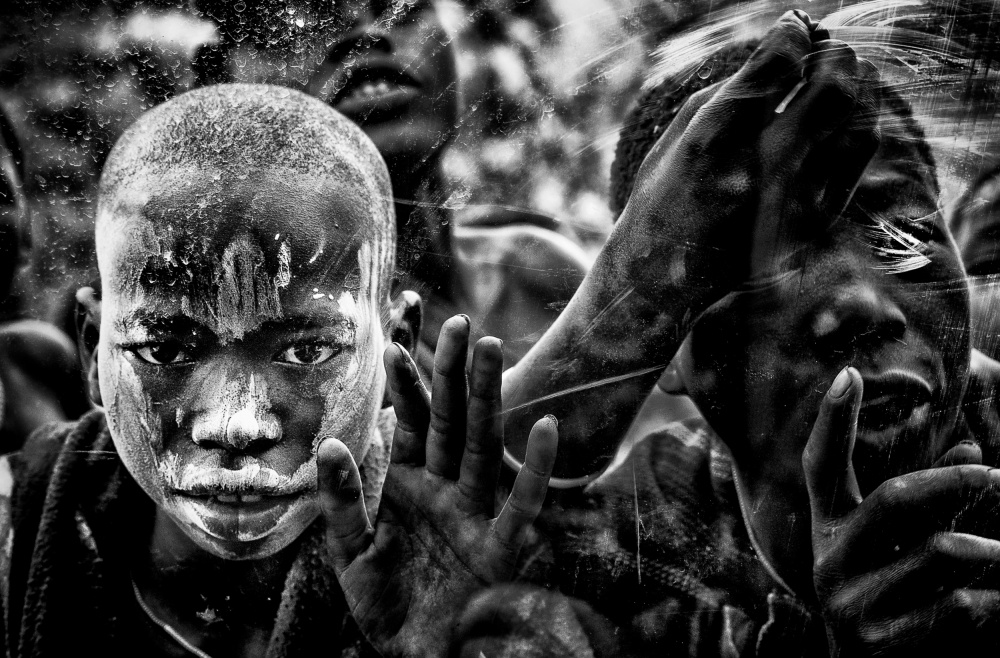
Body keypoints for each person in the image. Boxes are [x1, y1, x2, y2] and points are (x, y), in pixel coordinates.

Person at [458, 10, 1000, 656]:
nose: (858, 302)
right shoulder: (629, 552)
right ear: (666, 349)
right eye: (758, 263)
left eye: (903, 237)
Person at [0, 83, 559, 657]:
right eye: (165, 352)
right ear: (94, 350)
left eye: (306, 354)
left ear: (396, 343)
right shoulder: (11, 536)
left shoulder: (469, 547)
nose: (237, 425)